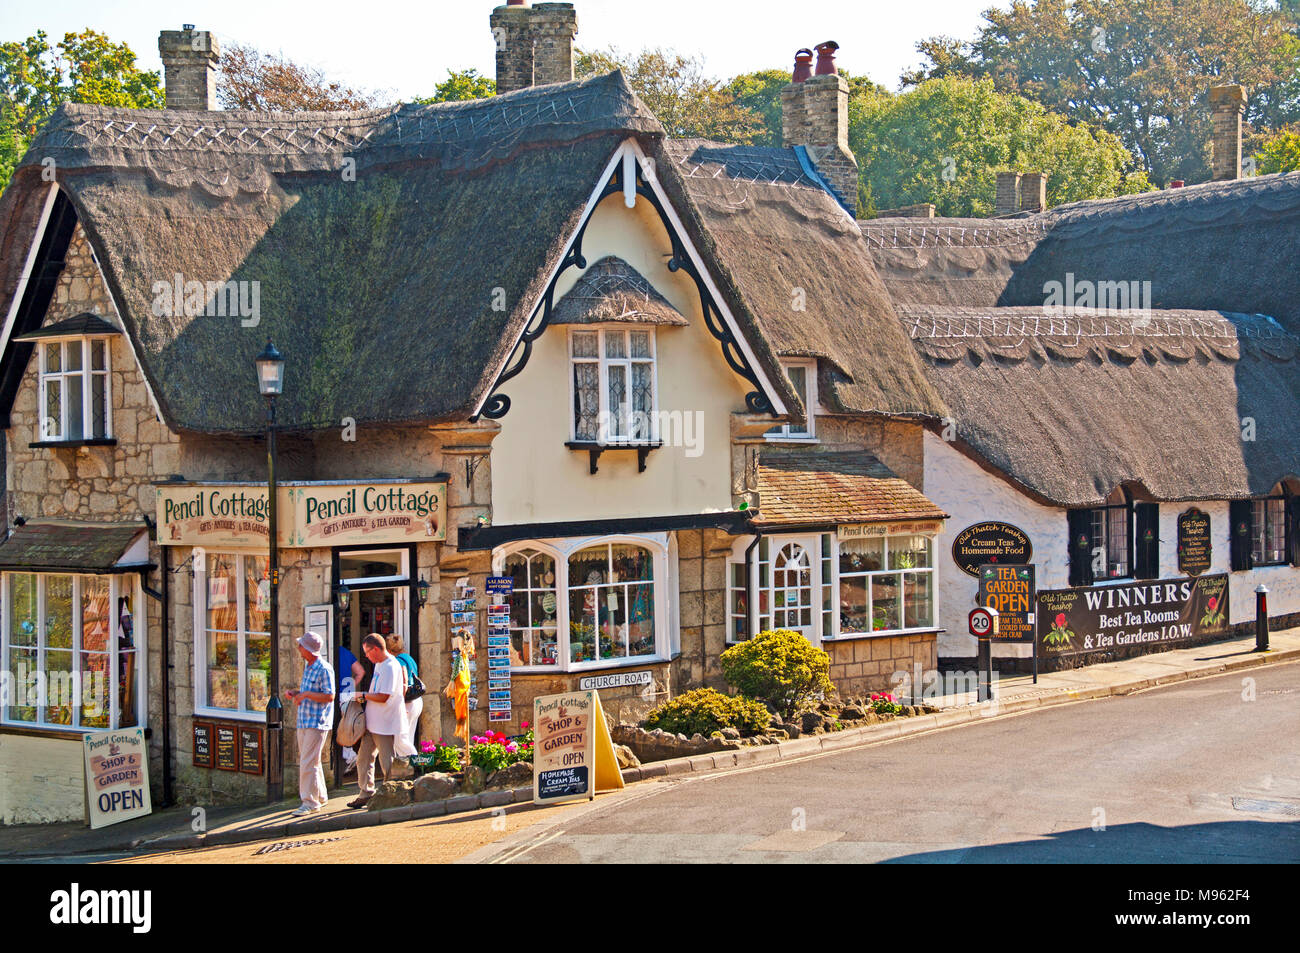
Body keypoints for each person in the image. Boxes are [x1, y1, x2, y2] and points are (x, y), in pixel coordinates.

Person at [348, 633, 414, 808]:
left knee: (386, 761)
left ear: (376, 649)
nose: (367, 656)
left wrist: (361, 695)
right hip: (374, 720)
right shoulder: (380, 664)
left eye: (367, 652)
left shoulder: (391, 666)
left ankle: (389, 793)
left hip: (385, 722)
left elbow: (384, 696)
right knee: (364, 758)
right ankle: (366, 792)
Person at [284, 631, 335, 817]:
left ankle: (309, 802)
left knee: (307, 762)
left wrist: (304, 695)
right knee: (312, 761)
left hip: (317, 722)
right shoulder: (309, 666)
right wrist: (297, 692)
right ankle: (320, 796)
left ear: (308, 649)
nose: (298, 649)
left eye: (301, 646)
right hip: (304, 720)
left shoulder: (324, 668)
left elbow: (330, 696)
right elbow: (310, 691)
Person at [386, 633, 422, 747]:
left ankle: (401, 764)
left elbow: (403, 682)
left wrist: (399, 706)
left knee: (399, 742)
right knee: (408, 738)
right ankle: (409, 763)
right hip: (416, 700)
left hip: (407, 702)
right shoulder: (409, 658)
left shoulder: (397, 661)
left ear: (389, 650)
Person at [337, 642, 365, 775]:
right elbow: (360, 672)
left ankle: (349, 756)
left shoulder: (328, 653)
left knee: (340, 728)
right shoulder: (345, 652)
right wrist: (351, 686)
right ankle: (349, 756)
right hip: (347, 695)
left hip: (336, 695)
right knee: (346, 727)